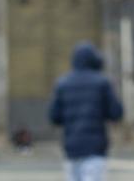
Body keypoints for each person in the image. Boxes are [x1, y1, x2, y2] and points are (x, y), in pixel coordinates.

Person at [48, 41, 124, 181]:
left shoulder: (63, 83)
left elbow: (54, 116)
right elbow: (116, 113)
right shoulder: (102, 83)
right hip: (95, 148)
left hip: (71, 148)